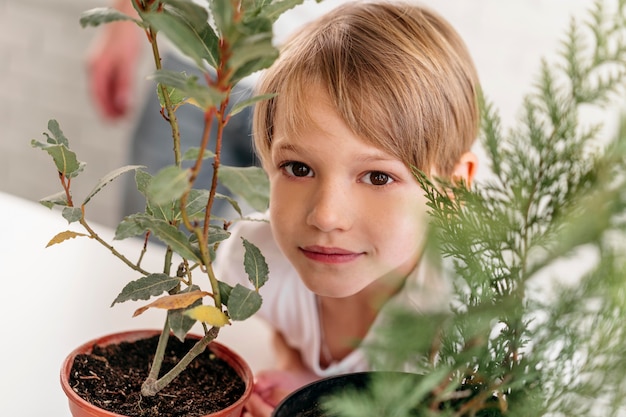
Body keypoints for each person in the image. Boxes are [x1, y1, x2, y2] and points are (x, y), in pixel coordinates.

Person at [212, 2, 481, 416]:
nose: (326, 216)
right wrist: (301, 373)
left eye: (377, 177)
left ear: (452, 187)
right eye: (298, 168)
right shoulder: (256, 263)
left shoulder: (460, 322)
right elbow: (289, 324)